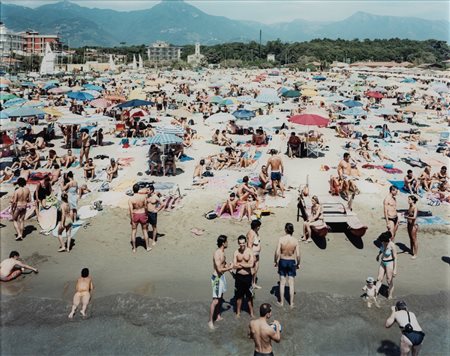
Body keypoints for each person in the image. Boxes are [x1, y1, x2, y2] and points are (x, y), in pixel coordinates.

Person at [209, 235, 233, 330]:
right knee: (215, 300)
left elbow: (224, 263)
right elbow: (219, 269)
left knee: (221, 298)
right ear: (223, 243)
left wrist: (232, 273)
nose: (228, 243)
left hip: (222, 277)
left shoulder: (223, 252)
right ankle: (210, 321)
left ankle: (217, 316)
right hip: (217, 278)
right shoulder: (217, 253)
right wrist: (229, 268)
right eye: (227, 241)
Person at [274, 223, 300, 308]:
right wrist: (298, 263)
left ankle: (281, 302)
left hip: (282, 260)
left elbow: (277, 252)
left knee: (282, 283)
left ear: (285, 229)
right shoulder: (295, 240)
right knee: (291, 283)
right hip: (291, 261)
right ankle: (291, 303)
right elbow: (298, 255)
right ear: (292, 230)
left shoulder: (281, 239)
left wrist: (275, 261)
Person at [233, 235, 255, 318]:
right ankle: (238, 312)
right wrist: (244, 265)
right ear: (238, 243)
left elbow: (251, 264)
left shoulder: (249, 251)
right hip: (239, 277)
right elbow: (234, 266)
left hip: (248, 277)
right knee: (239, 296)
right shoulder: (236, 252)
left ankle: (251, 313)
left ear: (245, 242)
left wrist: (241, 264)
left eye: (243, 243)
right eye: (240, 243)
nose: (242, 245)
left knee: (250, 296)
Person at [128, 183, 151, 253]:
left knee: (133, 231)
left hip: (135, 214)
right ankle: (147, 247)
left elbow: (131, 211)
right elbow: (146, 207)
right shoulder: (143, 197)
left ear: (133, 190)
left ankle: (134, 248)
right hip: (142, 213)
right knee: (144, 230)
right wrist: (146, 214)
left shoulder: (130, 199)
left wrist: (131, 220)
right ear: (138, 189)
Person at [376, 231, 398, 300]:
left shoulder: (392, 245)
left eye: (384, 241)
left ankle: (390, 295)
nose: (383, 242)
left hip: (389, 263)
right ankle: (375, 294)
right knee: (379, 278)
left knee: (389, 280)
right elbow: (381, 250)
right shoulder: (382, 242)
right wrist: (378, 255)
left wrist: (395, 269)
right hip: (383, 262)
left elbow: (395, 257)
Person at [247, 219, 262, 289]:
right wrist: (252, 256)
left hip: (257, 254)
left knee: (256, 269)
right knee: (252, 270)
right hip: (252, 254)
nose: (259, 227)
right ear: (256, 226)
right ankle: (249, 284)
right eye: (259, 226)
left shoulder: (256, 232)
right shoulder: (251, 233)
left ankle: (254, 283)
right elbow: (249, 245)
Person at [406, 195, 419, 259]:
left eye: (409, 199)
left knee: (414, 239)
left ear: (413, 200)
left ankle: (415, 254)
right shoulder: (410, 206)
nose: (408, 200)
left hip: (413, 225)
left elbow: (414, 217)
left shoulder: (415, 207)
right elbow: (409, 213)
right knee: (410, 238)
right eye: (408, 199)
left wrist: (407, 217)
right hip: (409, 224)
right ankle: (411, 250)